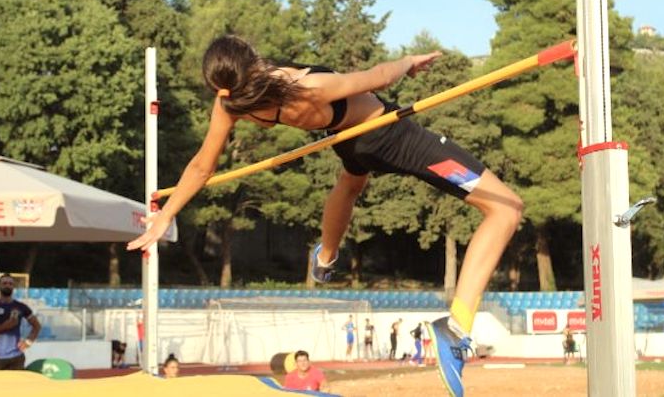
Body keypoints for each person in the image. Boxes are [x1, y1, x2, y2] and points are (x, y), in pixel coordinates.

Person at [128, 35, 524, 397]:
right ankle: (455, 327)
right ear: (253, 59)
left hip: (350, 144)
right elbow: (379, 76)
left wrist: (166, 213)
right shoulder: (309, 86)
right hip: (391, 137)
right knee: (505, 208)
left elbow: (202, 165)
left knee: (351, 182)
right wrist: (408, 62)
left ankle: (326, 256)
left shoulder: (230, 103)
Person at [0, 273, 41, 370]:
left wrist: (28, 342)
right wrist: (5, 326)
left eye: (10, 284)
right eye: (4, 283)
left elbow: (37, 326)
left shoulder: (20, 306)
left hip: (16, 358)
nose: (7, 285)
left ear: (13, 287)